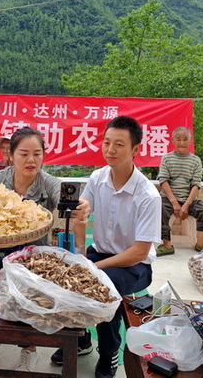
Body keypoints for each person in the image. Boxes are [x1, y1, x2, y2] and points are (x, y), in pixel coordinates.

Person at [50, 116, 161, 378]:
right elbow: (81, 216)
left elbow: (140, 252)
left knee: (105, 286)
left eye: (119, 145)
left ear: (135, 150)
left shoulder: (148, 196)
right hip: (100, 254)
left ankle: (109, 352)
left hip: (136, 266)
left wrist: (93, 267)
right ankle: (80, 339)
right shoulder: (98, 178)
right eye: (107, 142)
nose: (110, 150)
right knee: (65, 275)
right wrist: (78, 253)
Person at [0, 127, 90, 371]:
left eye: (37, 154)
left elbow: (66, 196)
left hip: (33, 257)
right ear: (11, 155)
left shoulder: (47, 182)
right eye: (24, 154)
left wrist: (81, 204)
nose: (31, 160)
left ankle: (28, 350)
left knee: (29, 304)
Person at [156, 126, 203, 256]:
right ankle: (167, 245)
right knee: (159, 209)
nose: (182, 142)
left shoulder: (195, 160)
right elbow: (163, 181)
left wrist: (186, 205)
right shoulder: (166, 158)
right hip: (168, 198)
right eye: (178, 139)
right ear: (172, 141)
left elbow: (195, 185)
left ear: (190, 141)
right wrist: (175, 203)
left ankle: (201, 244)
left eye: (185, 139)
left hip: (189, 199)